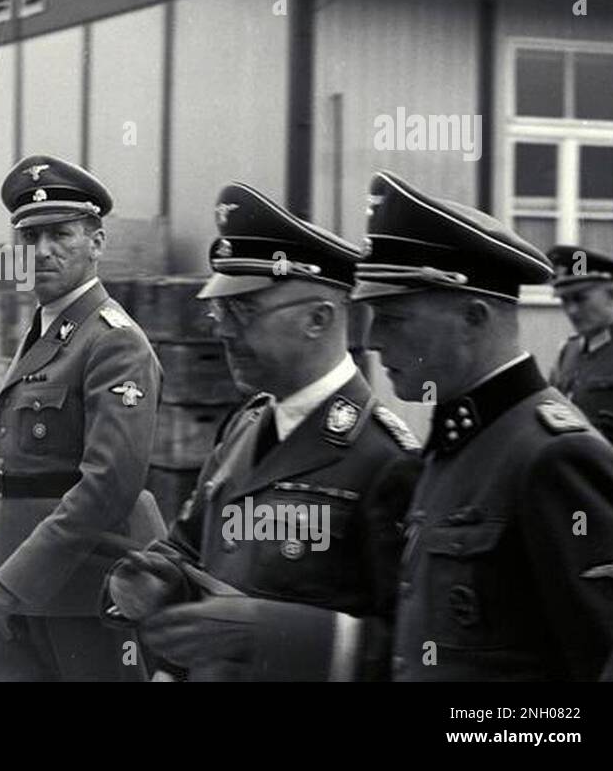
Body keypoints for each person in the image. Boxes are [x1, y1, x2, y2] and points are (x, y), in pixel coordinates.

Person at [102, 182, 422, 681]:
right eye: (220, 310)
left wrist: (274, 632)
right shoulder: (246, 425)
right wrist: (152, 581)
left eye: (244, 311)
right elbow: (189, 547)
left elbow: (411, 649)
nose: (223, 330)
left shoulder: (386, 459)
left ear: (318, 319)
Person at [352, 170, 613, 681]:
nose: (372, 340)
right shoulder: (461, 442)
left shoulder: (556, 458)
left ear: (474, 316)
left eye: (393, 317)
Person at [0, 154, 165, 682]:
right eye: (29, 237)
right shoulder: (46, 331)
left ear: (97, 242)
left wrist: (16, 583)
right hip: (25, 580)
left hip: (88, 591)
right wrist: (11, 578)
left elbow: (109, 485)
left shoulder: (114, 341)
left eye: (61, 234)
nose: (42, 251)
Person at [546, 244, 613, 458]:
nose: (572, 310)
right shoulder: (568, 350)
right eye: (565, 300)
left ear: (611, 293)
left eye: (580, 298)